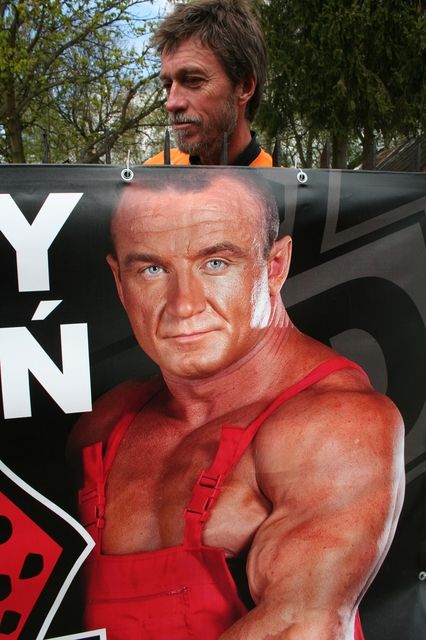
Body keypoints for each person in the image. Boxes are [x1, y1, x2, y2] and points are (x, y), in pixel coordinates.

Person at [69, 168, 405, 640]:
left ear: (275, 266)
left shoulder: (336, 423)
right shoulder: (104, 425)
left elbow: (298, 629)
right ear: (120, 283)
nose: (184, 305)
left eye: (215, 263)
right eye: (152, 270)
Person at [144, 0, 273, 166]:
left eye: (193, 81)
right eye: (168, 85)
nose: (171, 104)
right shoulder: (155, 171)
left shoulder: (279, 181)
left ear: (245, 87)